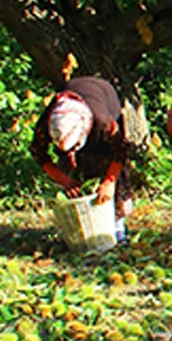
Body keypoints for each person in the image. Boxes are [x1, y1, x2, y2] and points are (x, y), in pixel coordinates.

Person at [30, 75, 135, 237]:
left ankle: (117, 227)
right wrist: (64, 180)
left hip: (104, 95)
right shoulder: (46, 123)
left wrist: (109, 181)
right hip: (75, 102)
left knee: (108, 168)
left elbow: (122, 150)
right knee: (70, 173)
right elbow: (38, 152)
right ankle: (77, 227)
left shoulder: (105, 123)